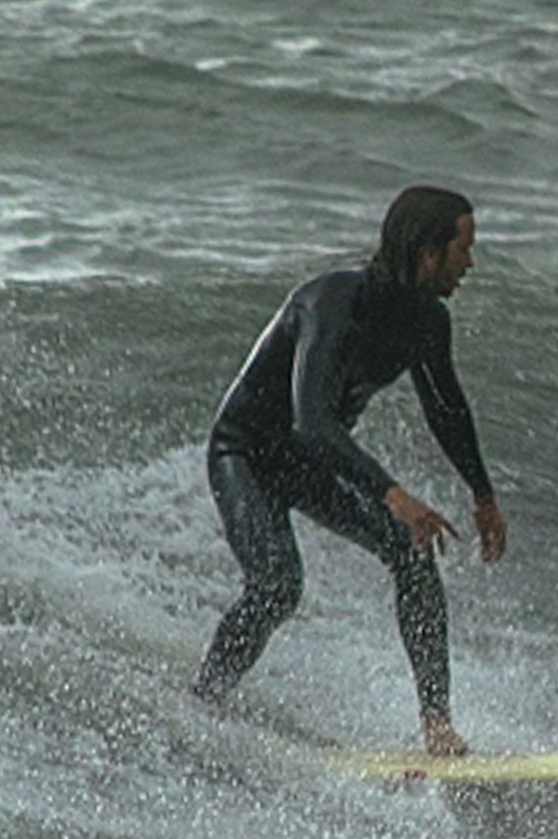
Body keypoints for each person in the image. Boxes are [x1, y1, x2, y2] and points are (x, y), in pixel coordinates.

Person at [190, 184, 507, 756]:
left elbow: (446, 409)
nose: (470, 264)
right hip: (246, 454)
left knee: (412, 553)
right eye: (463, 250)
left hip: (308, 463)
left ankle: (437, 726)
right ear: (427, 252)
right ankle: (204, 700)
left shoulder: (428, 324)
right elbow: (310, 420)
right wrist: (390, 493)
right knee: (277, 585)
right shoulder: (331, 303)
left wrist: (482, 495)